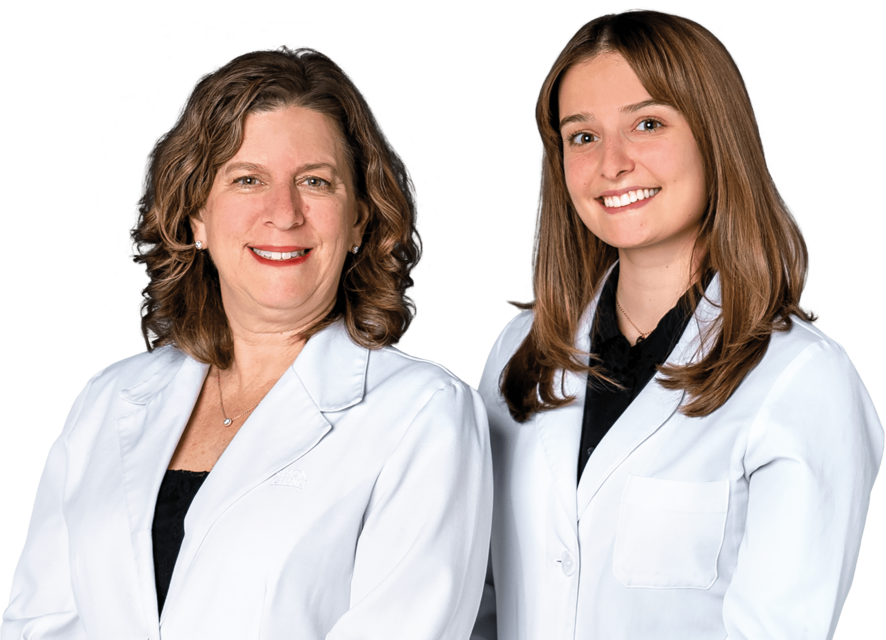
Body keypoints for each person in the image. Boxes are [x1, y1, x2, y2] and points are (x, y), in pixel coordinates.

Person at [2, 45, 492, 640]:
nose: (283, 213)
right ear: (197, 218)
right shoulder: (108, 400)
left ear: (359, 221)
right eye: (247, 179)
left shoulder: (425, 414)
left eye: (315, 181)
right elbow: (43, 623)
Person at [471, 8, 883, 640]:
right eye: (583, 136)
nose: (612, 163)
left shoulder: (802, 379)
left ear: (714, 137)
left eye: (648, 124)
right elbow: (476, 599)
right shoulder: (519, 353)